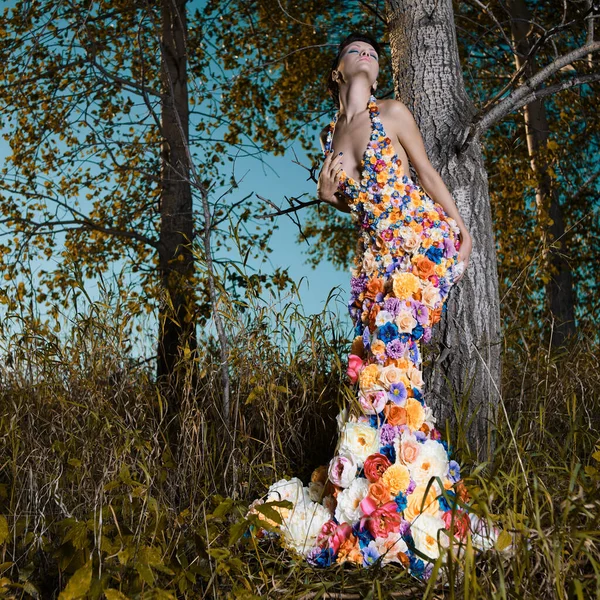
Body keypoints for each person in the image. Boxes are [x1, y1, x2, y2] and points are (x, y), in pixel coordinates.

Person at [249, 32, 503, 581]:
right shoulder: (333, 132)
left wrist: (463, 230)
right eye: (355, 52)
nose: (366, 57)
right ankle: (388, 484)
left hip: (420, 245)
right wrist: (334, 190)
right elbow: (340, 196)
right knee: (380, 371)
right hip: (377, 263)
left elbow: (427, 173)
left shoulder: (392, 111)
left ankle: (411, 495)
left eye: (374, 54)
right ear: (337, 71)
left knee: (394, 362)